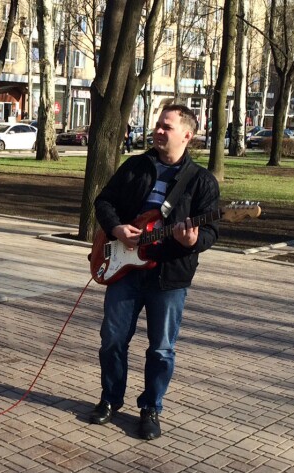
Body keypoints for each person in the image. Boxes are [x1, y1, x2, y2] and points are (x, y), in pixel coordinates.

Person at [90, 104, 220, 440]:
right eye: (158, 125)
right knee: (112, 340)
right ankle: (110, 399)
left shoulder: (202, 181)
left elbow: (210, 232)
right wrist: (117, 229)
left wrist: (192, 241)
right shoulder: (136, 166)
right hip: (125, 270)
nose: (158, 131)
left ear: (187, 136)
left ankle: (150, 408)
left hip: (169, 277)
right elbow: (103, 202)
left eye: (167, 127)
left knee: (161, 348)